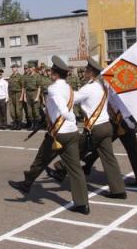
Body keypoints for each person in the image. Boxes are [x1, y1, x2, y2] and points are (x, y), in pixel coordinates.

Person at [8, 56, 90, 215]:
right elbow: (59, 104)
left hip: (58, 133)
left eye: (52, 71)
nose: (50, 73)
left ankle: (26, 184)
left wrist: (67, 115)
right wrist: (46, 112)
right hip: (72, 132)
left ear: (55, 74)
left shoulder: (54, 88)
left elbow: (61, 106)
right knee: (75, 169)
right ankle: (82, 204)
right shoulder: (69, 88)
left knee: (40, 160)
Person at [46, 58, 127, 199]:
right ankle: (118, 190)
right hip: (106, 125)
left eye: (87, 70)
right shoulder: (103, 85)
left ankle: (60, 168)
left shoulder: (88, 88)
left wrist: (61, 89)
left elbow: (72, 98)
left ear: (91, 73)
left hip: (95, 128)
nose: (84, 72)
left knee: (75, 149)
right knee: (109, 159)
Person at [85, 88, 137, 187]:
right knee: (105, 143)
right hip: (120, 119)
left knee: (130, 149)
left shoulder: (113, 86)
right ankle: (88, 163)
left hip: (121, 120)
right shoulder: (114, 84)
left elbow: (115, 103)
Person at [23, 62, 41, 130]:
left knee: (36, 111)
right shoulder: (27, 76)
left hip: (34, 93)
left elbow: (39, 87)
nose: (29, 69)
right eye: (29, 68)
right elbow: (24, 88)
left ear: (33, 68)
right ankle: (32, 125)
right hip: (28, 94)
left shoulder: (37, 76)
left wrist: (37, 97)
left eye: (30, 67)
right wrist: (24, 97)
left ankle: (37, 125)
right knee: (29, 111)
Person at [7, 64, 24, 130]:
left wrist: (22, 96)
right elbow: (9, 87)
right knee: (12, 110)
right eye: (12, 68)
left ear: (17, 68)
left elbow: (23, 87)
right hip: (12, 95)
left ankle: (19, 123)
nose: (13, 69)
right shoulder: (11, 76)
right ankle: (15, 123)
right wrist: (8, 96)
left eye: (14, 67)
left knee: (18, 110)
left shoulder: (20, 76)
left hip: (18, 94)